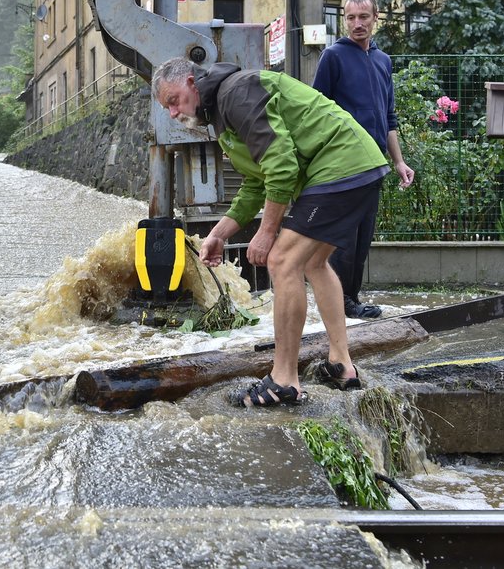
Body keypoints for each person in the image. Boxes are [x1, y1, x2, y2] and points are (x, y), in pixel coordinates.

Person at [152, 56, 390, 407]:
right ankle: (342, 363)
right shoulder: (221, 113)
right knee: (314, 263)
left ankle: (284, 379)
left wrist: (267, 231)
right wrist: (220, 233)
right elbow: (255, 181)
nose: (173, 112)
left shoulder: (237, 93)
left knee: (281, 260)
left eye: (173, 101)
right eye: (166, 107)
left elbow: (281, 163)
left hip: (340, 166)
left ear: (191, 82)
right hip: (357, 166)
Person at [313, 0, 415, 319]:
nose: (357, 24)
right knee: (343, 237)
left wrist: (398, 161)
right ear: (345, 19)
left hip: (375, 165)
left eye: (364, 17)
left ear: (375, 18)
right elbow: (317, 111)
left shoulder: (383, 61)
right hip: (343, 164)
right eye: (351, 18)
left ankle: (351, 300)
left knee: (363, 236)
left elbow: (389, 118)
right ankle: (339, 302)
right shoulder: (333, 56)